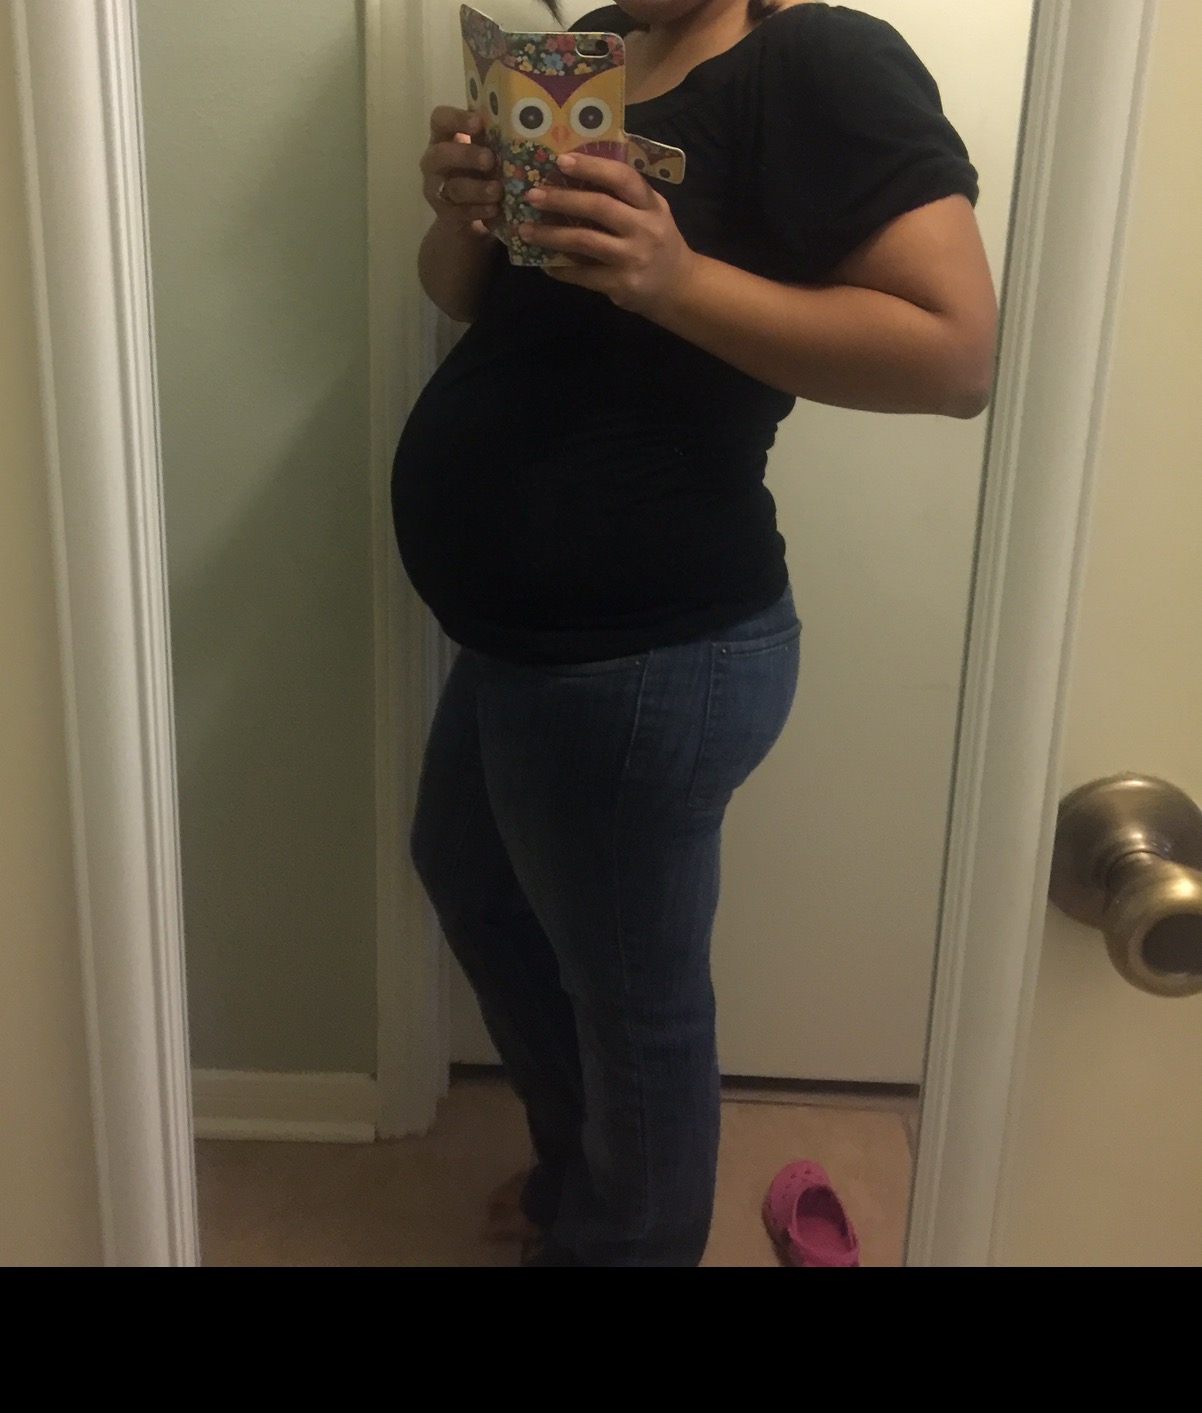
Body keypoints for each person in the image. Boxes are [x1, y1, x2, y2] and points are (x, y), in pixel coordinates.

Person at [394, 0, 997, 1267]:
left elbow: (952, 359)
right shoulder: (594, 49)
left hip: (644, 652)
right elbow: (467, 302)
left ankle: (621, 1235)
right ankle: (582, 1177)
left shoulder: (818, 59)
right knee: (473, 885)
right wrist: (462, 213)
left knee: (635, 1013)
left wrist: (673, 279)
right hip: (521, 640)